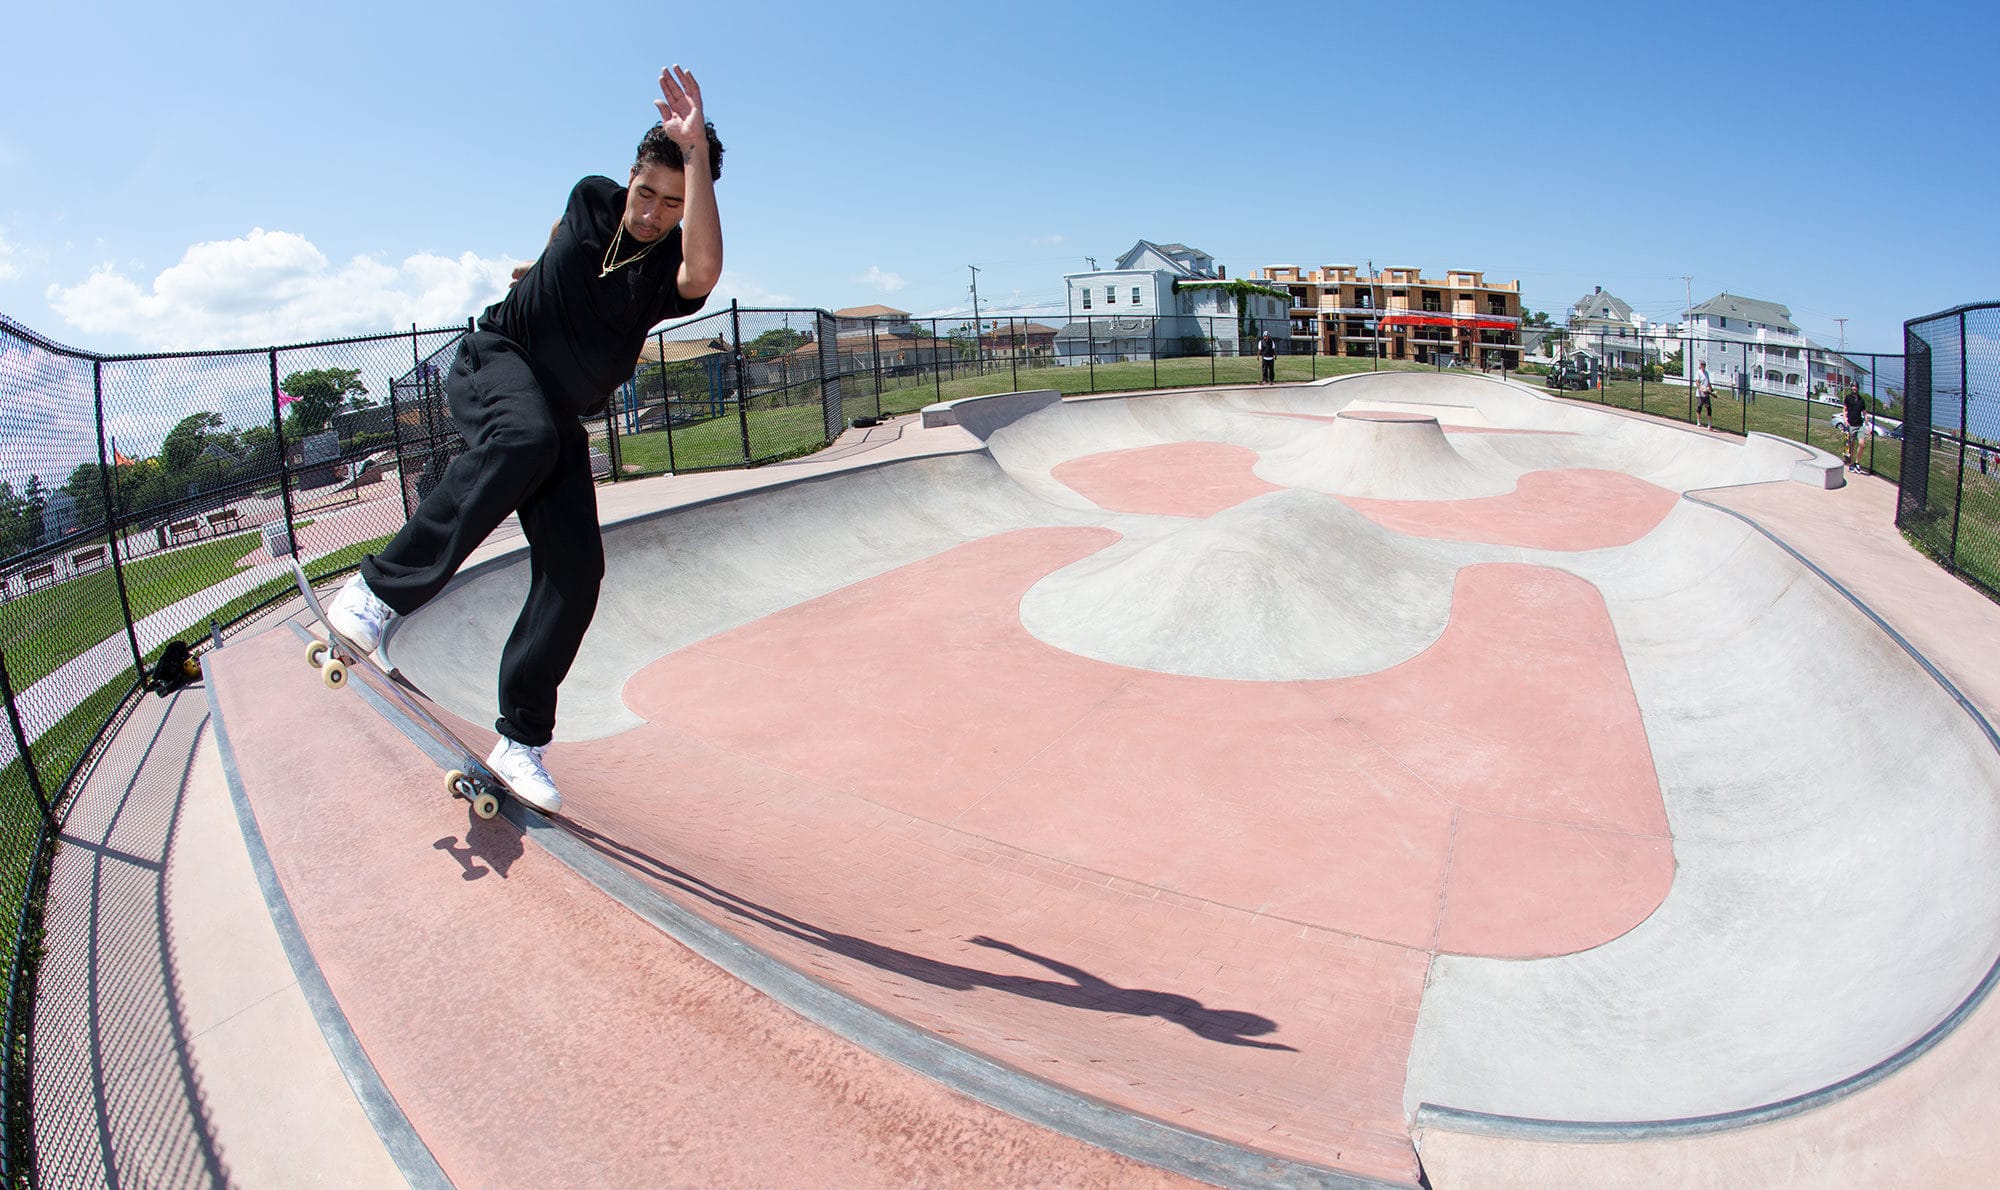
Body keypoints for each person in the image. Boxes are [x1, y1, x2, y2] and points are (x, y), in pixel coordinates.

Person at [325, 65, 724, 813]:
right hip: (495, 364)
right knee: (525, 435)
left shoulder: (672, 268)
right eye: (646, 193)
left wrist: (697, 153)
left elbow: (704, 265)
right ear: (630, 177)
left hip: (556, 418)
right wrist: (537, 269)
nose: (651, 214)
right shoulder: (589, 197)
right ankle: (378, 590)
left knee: (577, 571)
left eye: (672, 203)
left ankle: (520, 741)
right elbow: (560, 232)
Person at [1841, 383, 1868, 473]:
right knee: (1851, 445)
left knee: (1862, 444)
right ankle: (1851, 463)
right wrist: (1846, 420)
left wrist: (1867, 425)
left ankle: (1857, 462)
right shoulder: (1848, 398)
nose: (1854, 388)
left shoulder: (1861, 400)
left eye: (1856, 386)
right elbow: (1844, 410)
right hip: (1851, 425)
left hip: (1859, 425)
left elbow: (1864, 413)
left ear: (1858, 388)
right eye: (1853, 386)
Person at [1694, 359, 1714, 429]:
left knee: (1709, 408)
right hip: (1700, 394)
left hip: (1706, 394)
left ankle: (1709, 424)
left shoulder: (1706, 373)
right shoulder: (1698, 372)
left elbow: (1708, 383)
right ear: (1700, 365)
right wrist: (1700, 388)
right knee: (1699, 407)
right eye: (1702, 364)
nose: (1703, 366)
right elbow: (1697, 382)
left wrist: (1712, 391)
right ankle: (1698, 422)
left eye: (1704, 365)